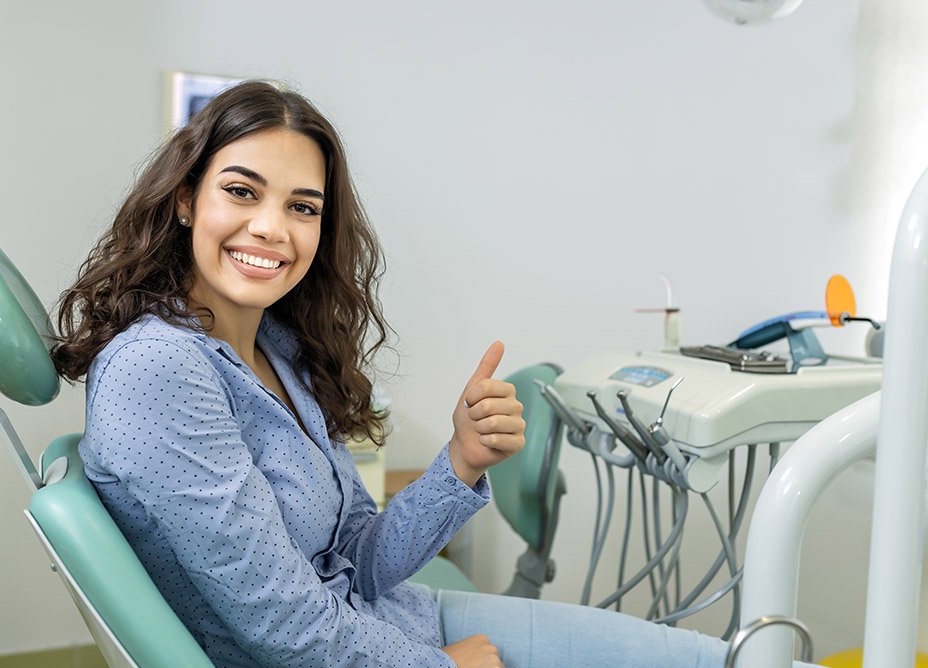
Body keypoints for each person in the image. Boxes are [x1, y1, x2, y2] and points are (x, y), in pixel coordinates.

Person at [51, 80, 809, 668]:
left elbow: (357, 561)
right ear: (186, 200)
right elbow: (279, 626)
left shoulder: (274, 350)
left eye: (303, 207)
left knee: (726, 659)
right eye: (241, 191)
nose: (272, 229)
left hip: (387, 627)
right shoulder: (159, 367)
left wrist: (460, 461)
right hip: (363, 653)